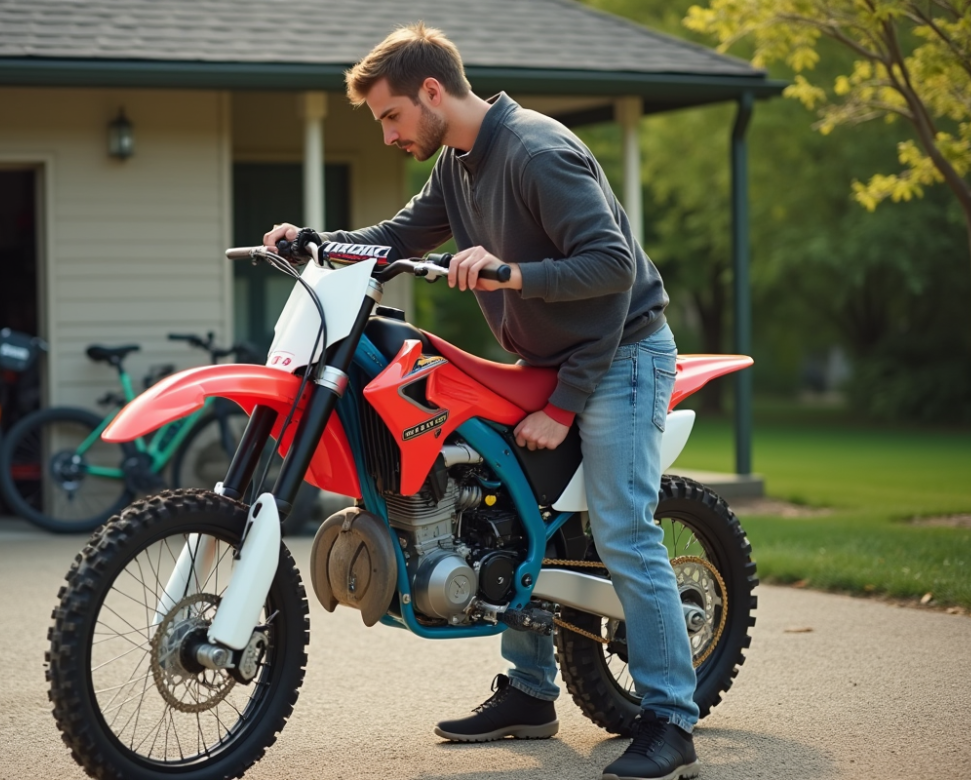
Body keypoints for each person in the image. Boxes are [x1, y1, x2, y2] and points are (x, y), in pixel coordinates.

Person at [264, 23, 700, 780]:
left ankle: (670, 720)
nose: (389, 135)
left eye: (392, 115)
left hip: (621, 357)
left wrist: (557, 387)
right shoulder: (459, 163)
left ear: (432, 91)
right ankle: (530, 693)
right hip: (546, 357)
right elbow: (400, 237)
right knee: (513, 513)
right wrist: (318, 243)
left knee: (623, 529)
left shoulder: (536, 151)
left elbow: (612, 268)